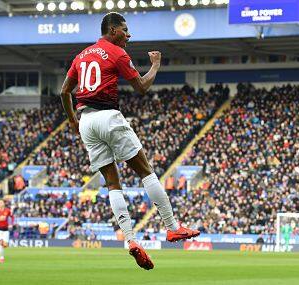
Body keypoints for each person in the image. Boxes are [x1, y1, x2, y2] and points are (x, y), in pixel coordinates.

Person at [60, 12, 199, 270]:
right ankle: (172, 227)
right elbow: (142, 87)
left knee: (113, 184)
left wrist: (71, 120)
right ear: (112, 31)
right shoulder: (116, 53)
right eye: (125, 29)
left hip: (86, 123)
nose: (129, 34)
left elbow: (64, 91)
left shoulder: (81, 56)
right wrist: (156, 65)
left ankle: (131, 241)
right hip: (108, 117)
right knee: (146, 171)